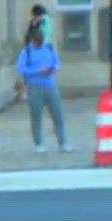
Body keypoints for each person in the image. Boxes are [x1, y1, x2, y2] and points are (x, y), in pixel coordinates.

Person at [15, 24, 68, 154]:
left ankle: (63, 142)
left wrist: (53, 68)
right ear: (33, 40)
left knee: (58, 115)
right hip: (35, 87)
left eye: (41, 41)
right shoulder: (26, 52)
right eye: (37, 41)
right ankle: (39, 143)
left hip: (50, 85)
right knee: (36, 117)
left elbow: (57, 63)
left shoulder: (49, 48)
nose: (40, 43)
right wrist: (38, 71)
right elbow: (21, 69)